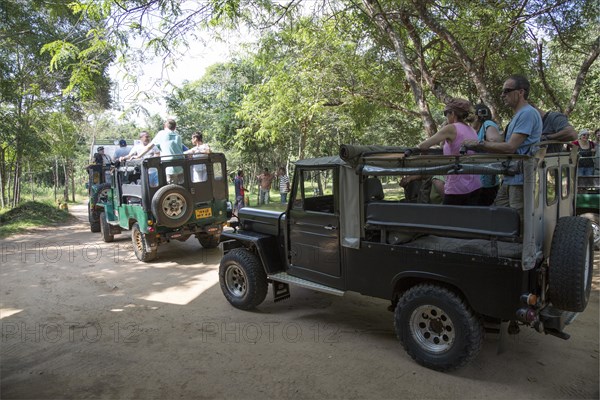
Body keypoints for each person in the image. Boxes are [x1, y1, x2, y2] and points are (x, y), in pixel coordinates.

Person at [464, 74, 542, 222]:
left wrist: (480, 144)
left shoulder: (527, 113)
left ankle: (524, 245)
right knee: (498, 212)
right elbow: (502, 140)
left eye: (507, 91)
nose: (502, 95)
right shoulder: (518, 115)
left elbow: (510, 147)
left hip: (521, 178)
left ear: (521, 92)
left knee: (518, 218)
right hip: (511, 177)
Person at [417, 98, 482, 205]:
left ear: (452, 113)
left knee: (449, 219)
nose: (445, 117)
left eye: (445, 113)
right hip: (475, 185)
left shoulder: (451, 128)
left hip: (457, 187)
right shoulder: (472, 130)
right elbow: (448, 145)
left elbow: (423, 145)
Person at [134, 118, 184, 184]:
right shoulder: (178, 136)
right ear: (175, 127)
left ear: (164, 126)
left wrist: (138, 156)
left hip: (168, 168)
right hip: (181, 167)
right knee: (181, 189)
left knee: (170, 190)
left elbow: (149, 147)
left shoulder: (162, 133)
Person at [472, 103, 502, 205]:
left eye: (472, 113)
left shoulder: (488, 124)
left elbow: (494, 141)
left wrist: (478, 144)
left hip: (487, 182)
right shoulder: (474, 129)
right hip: (475, 182)